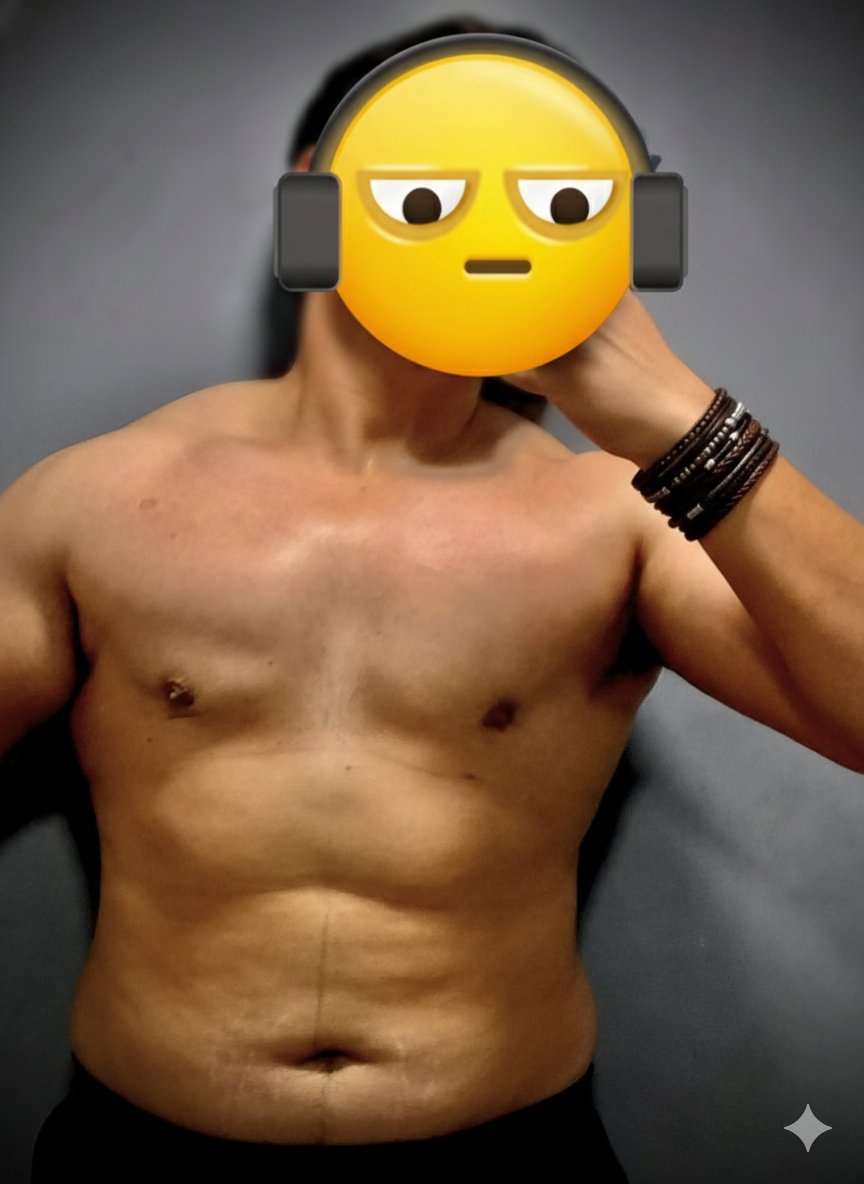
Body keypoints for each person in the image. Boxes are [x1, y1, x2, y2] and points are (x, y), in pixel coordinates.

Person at [6, 13, 862, 1181]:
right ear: (317, 195)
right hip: (139, 1145)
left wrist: (681, 421)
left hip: (508, 1149)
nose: (487, 223)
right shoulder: (97, 499)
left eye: (545, 189)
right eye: (440, 174)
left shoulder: (614, 517)